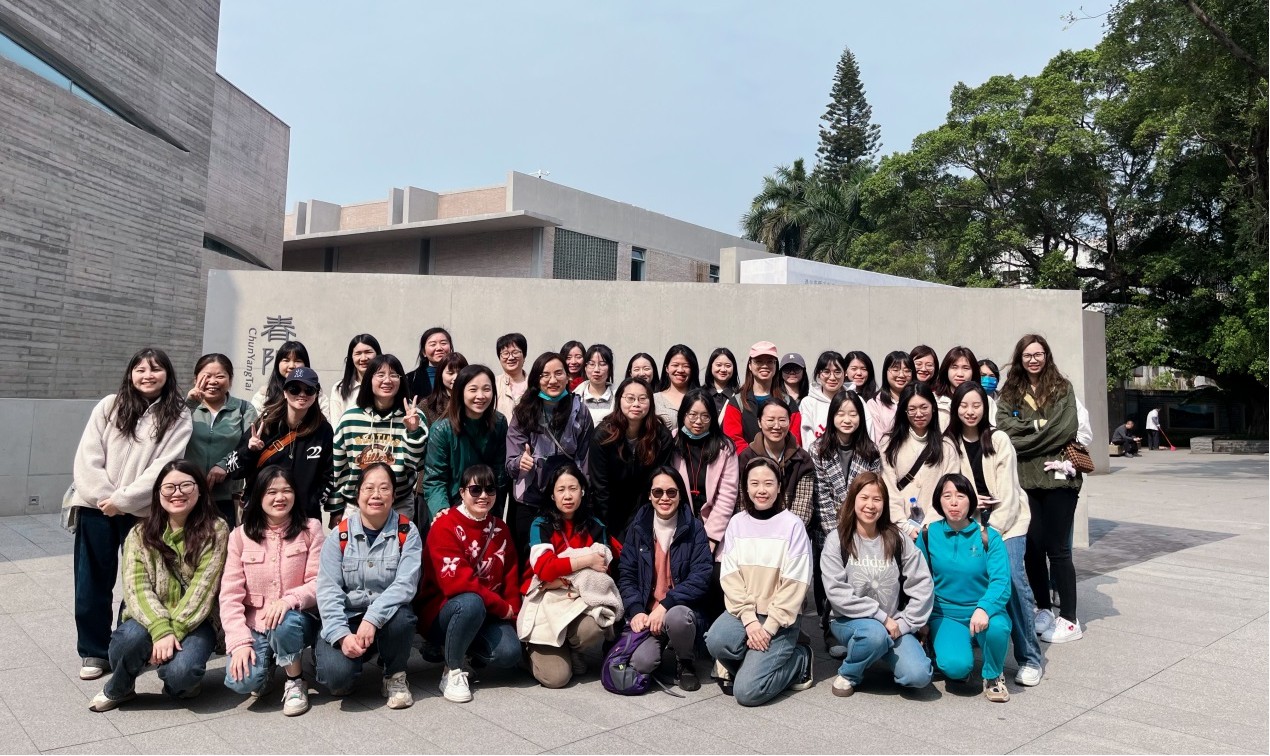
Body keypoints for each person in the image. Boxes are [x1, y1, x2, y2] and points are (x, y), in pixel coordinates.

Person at [71, 347, 194, 682]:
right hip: (95, 508)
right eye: (140, 369)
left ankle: (126, 648)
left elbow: (164, 467)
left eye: (155, 369)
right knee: (91, 581)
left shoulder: (178, 415)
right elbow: (88, 456)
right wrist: (105, 498)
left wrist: (123, 501)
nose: (147, 375)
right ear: (130, 374)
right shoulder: (109, 405)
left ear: (167, 374)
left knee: (140, 582)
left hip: (141, 512)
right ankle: (94, 650)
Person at [88, 460, 229, 711]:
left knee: (181, 675)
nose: (177, 493)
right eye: (169, 487)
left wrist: (172, 632)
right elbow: (137, 588)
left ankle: (179, 681)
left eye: (186, 485)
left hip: (197, 620)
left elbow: (203, 589)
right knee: (128, 640)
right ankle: (120, 687)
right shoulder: (139, 534)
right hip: (149, 617)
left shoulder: (216, 530)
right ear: (158, 493)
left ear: (200, 490)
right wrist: (160, 630)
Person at [946, 381, 1043, 686]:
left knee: (1011, 576)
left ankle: (1029, 657)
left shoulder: (999, 439)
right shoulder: (949, 443)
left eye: (976, 405)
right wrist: (971, 507)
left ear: (985, 407)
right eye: (964, 405)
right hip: (970, 522)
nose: (970, 411)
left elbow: (1010, 493)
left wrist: (993, 531)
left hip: (1007, 521)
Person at [996, 334, 1085, 645]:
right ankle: (1044, 608)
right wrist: (1039, 427)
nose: (1033, 360)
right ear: (1019, 359)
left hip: (1060, 479)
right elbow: (1004, 430)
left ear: (1047, 355)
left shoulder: (1062, 387)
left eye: (1038, 354)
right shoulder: (1010, 391)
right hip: (1025, 479)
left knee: (1058, 549)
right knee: (1032, 548)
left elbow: (1065, 429)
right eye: (1027, 355)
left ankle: (1070, 619)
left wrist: (1025, 437)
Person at [706, 457, 814, 706]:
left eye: (768, 483)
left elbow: (795, 584)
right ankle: (755, 664)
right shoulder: (737, 523)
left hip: (780, 618)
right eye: (754, 483)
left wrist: (768, 628)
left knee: (747, 693)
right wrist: (750, 621)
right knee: (715, 641)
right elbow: (730, 576)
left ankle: (800, 659)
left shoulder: (793, 526)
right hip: (746, 613)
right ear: (745, 487)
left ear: (779, 486)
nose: (761, 490)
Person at [219, 466, 325, 715]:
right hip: (256, 623)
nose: (280, 498)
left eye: (287, 491)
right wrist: (239, 642)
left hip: (298, 619)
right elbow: (230, 595)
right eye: (271, 492)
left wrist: (289, 600)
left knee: (283, 624)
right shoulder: (240, 536)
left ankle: (295, 680)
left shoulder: (310, 528)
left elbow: (319, 581)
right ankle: (267, 666)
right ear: (258, 496)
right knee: (242, 682)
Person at [315, 463, 422, 709]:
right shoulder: (339, 535)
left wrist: (373, 618)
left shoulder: (407, 532)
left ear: (393, 495)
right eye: (369, 488)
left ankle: (394, 675)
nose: (376, 495)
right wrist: (341, 635)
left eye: (384, 488)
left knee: (403, 618)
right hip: (348, 616)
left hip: (387, 617)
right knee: (337, 680)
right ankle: (345, 655)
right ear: (358, 494)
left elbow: (405, 586)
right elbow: (328, 591)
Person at [821, 471, 933, 697]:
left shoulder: (897, 538)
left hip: (893, 624)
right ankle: (850, 673)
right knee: (874, 635)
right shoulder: (837, 539)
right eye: (864, 498)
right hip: (848, 620)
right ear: (853, 500)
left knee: (918, 676)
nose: (870, 505)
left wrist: (906, 623)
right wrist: (881, 618)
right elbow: (837, 593)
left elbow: (922, 583)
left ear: (884, 503)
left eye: (877, 499)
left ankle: (871, 650)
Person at [417, 464, 522, 703]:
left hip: (488, 612)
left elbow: (511, 575)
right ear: (462, 492)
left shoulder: (500, 528)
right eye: (475, 490)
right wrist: (502, 608)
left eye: (490, 489)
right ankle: (452, 669)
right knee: (471, 602)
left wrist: (513, 613)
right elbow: (458, 584)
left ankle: (462, 647)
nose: (483, 496)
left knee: (509, 653)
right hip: (445, 610)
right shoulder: (445, 525)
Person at [522, 464, 622, 688]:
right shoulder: (541, 524)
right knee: (557, 678)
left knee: (595, 626)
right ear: (552, 495)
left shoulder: (595, 525)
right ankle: (526, 652)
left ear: (583, 491)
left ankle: (572, 648)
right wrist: (586, 561)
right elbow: (544, 569)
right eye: (561, 490)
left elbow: (602, 570)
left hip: (577, 600)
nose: (567, 496)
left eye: (573, 488)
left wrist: (562, 579)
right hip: (545, 601)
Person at [916, 474, 1013, 703]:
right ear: (938, 501)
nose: (954, 502)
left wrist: (984, 608)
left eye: (960, 496)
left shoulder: (988, 537)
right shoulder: (928, 534)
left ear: (971, 500)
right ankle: (953, 652)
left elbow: (1001, 581)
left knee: (998, 628)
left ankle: (993, 675)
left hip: (984, 610)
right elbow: (918, 579)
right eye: (947, 496)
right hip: (946, 614)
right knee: (956, 667)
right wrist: (920, 618)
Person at [616, 468, 714, 692]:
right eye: (658, 492)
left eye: (671, 492)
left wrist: (666, 604)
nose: (664, 498)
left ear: (680, 495)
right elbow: (627, 574)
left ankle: (685, 661)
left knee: (678, 618)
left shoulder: (694, 528)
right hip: (648, 612)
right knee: (642, 663)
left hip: (680, 608)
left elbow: (700, 576)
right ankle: (660, 649)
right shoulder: (637, 528)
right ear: (649, 495)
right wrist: (636, 609)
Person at [810, 390, 881, 655]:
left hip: (862, 527)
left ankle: (856, 625)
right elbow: (821, 495)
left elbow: (872, 493)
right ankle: (829, 626)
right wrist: (837, 535)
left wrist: (856, 529)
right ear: (832, 417)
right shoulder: (818, 449)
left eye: (853, 413)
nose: (847, 419)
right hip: (827, 528)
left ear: (861, 417)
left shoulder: (871, 452)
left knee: (856, 579)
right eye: (841, 413)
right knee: (829, 580)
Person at [505, 352, 595, 555]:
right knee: (529, 557)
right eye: (545, 375)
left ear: (567, 376)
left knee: (565, 556)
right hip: (530, 498)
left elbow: (585, 459)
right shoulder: (523, 411)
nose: (553, 380)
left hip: (566, 500)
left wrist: (581, 493)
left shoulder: (580, 411)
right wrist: (520, 462)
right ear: (536, 379)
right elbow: (511, 462)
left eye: (558, 373)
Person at [225, 367, 333, 522]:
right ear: (284, 392)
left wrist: (312, 502)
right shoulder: (266, 425)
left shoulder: (323, 430)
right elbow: (233, 470)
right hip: (261, 518)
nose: (302, 394)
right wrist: (249, 451)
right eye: (294, 389)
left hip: (303, 519)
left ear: (316, 394)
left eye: (309, 390)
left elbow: (329, 473)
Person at [329, 354, 427, 526]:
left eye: (394, 375)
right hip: (356, 505)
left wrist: (413, 431)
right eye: (380, 375)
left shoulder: (413, 415)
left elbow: (417, 464)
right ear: (369, 379)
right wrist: (336, 507)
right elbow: (339, 467)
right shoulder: (351, 418)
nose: (387, 380)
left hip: (398, 503)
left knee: (399, 544)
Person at [422, 365, 509, 521]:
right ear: (460, 392)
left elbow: (500, 472)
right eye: (473, 390)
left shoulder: (499, 423)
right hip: (452, 506)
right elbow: (435, 478)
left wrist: (495, 512)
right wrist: (441, 510)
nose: (481, 396)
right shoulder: (442, 429)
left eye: (487, 389)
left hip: (486, 505)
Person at [590, 377, 675, 537]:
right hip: (610, 511)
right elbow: (600, 487)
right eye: (630, 398)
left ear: (651, 402)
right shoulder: (602, 435)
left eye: (642, 399)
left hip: (647, 509)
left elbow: (658, 480)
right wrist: (606, 528)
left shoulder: (661, 436)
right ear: (619, 400)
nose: (636, 404)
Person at [879, 383, 960, 538]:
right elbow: (887, 488)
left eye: (924, 407)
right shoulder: (889, 444)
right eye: (912, 409)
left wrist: (928, 526)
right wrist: (904, 526)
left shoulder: (947, 446)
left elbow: (949, 491)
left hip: (935, 530)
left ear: (933, 408)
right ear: (904, 410)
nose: (919, 413)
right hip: (897, 529)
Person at [184, 353, 257, 525]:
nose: (213, 381)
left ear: (230, 380)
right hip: (186, 493)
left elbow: (250, 447)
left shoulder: (244, 409)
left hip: (227, 496)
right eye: (206, 376)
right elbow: (168, 436)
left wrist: (226, 464)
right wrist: (189, 404)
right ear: (195, 379)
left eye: (220, 376)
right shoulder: (184, 408)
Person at [737, 401, 816, 530]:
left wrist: (783, 532)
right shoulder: (746, 457)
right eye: (770, 420)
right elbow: (742, 502)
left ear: (789, 422)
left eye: (782, 420)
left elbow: (803, 506)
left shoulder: (802, 459)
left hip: (790, 532)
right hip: (752, 530)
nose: (777, 426)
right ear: (759, 422)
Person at [722, 341, 802, 454]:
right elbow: (733, 439)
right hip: (747, 463)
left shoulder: (788, 402)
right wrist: (756, 459)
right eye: (758, 361)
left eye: (770, 361)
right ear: (750, 365)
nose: (764, 366)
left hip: (782, 462)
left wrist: (777, 458)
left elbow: (795, 438)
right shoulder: (737, 402)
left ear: (776, 365)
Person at [249, 340, 329, 418]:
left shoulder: (318, 396)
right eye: (286, 360)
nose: (291, 366)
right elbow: (256, 423)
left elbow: (325, 422)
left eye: (298, 361)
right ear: (277, 364)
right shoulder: (263, 396)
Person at [799, 350, 847, 452]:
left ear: (845, 373)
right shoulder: (808, 403)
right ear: (818, 374)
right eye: (826, 372)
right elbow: (807, 438)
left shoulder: (855, 400)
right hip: (818, 459)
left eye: (837, 372)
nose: (832, 377)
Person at [864, 351, 914, 446]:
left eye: (907, 371)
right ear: (885, 372)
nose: (901, 375)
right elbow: (877, 440)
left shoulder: (918, 400)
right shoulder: (874, 403)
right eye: (895, 370)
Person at [329, 334, 381, 423]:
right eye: (358, 353)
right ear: (351, 358)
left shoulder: (385, 386)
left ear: (378, 355)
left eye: (368, 352)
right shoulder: (339, 388)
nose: (363, 358)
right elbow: (336, 425)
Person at [931, 345, 979, 429]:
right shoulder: (933, 399)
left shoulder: (985, 400)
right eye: (954, 367)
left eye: (966, 368)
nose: (960, 374)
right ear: (946, 370)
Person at [654, 344, 700, 429]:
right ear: (667, 368)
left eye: (686, 366)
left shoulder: (701, 398)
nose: (680, 370)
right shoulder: (654, 399)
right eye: (675, 365)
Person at [405, 327, 454, 402]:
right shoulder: (410, 379)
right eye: (433, 344)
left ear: (451, 348)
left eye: (443, 343)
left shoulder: (463, 374)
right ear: (424, 352)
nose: (439, 348)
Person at [420, 352, 468, 426]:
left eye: (460, 373)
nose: (456, 377)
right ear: (440, 375)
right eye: (450, 373)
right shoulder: (427, 405)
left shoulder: (473, 401)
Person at [574, 343, 616, 426]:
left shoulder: (619, 398)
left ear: (610, 368)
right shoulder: (575, 397)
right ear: (585, 368)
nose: (596, 370)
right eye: (591, 364)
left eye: (602, 364)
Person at [494, 332, 529, 419]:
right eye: (505, 353)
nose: (511, 357)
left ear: (524, 355)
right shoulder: (493, 384)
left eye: (515, 352)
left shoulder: (534, 384)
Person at [702, 347, 740, 417]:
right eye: (718, 365)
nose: (723, 369)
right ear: (711, 366)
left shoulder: (739, 396)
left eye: (728, 366)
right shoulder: (701, 394)